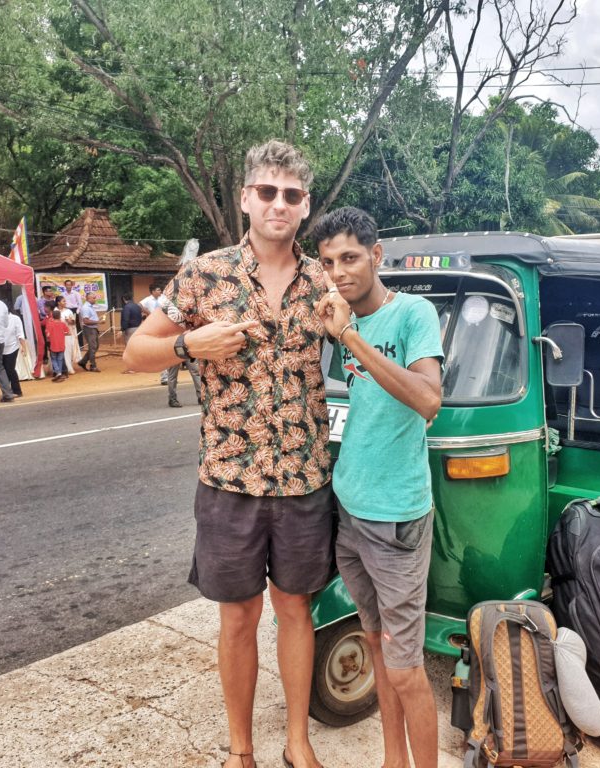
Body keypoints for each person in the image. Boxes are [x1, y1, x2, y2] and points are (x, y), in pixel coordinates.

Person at [122, 141, 332, 768]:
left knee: (297, 611)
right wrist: (191, 341)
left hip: (303, 478)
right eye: (267, 191)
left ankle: (297, 741)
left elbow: (371, 329)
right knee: (238, 619)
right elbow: (136, 352)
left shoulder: (321, 279)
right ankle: (241, 749)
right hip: (229, 480)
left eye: (291, 195)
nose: (278, 204)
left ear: (305, 206)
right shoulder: (201, 275)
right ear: (245, 198)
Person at [313, 207, 443, 768]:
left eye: (349, 258)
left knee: (405, 667)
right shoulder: (337, 318)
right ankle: (394, 761)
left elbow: (427, 400)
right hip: (351, 512)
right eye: (328, 263)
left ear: (376, 255)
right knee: (374, 646)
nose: (338, 272)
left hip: (397, 517)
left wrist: (348, 336)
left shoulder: (413, 313)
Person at [2, 311, 27, 397]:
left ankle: (17, 391)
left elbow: (20, 334)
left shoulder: (15, 319)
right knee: (3, 371)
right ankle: (7, 391)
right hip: (0, 348)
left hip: (12, 348)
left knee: (10, 369)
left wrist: (24, 347)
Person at [53, 295, 79, 374]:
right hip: (59, 335)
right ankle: (67, 368)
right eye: (63, 301)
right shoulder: (55, 311)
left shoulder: (68, 311)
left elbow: (74, 322)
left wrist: (70, 321)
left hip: (69, 333)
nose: (65, 302)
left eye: (65, 301)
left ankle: (68, 366)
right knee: (63, 351)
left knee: (69, 350)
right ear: (58, 303)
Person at [79, 291, 102, 372]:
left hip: (93, 328)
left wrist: (97, 320)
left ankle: (83, 361)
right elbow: (86, 321)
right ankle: (93, 366)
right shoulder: (86, 308)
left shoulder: (91, 307)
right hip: (89, 329)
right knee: (93, 347)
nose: (95, 299)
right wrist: (98, 322)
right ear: (88, 298)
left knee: (95, 346)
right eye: (94, 298)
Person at [46, 309, 70, 382]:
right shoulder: (62, 324)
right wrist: (63, 334)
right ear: (60, 316)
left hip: (53, 345)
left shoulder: (50, 324)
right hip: (61, 345)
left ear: (52, 316)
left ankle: (58, 372)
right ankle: (59, 373)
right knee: (60, 359)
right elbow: (68, 332)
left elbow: (47, 334)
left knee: (53, 359)